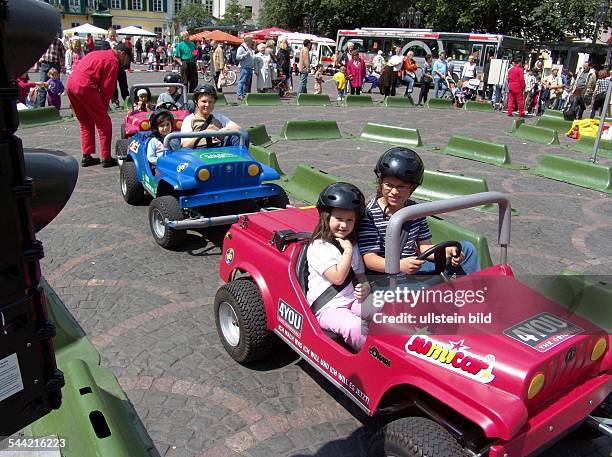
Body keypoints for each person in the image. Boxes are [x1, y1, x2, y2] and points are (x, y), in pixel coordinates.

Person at [358, 147, 480, 277]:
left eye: (401, 187)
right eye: (389, 185)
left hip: (414, 267)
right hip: (388, 275)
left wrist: (448, 252)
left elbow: (425, 247)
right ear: (381, 182)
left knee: (467, 248)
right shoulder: (369, 214)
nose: (394, 192)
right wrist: (399, 266)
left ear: (412, 187)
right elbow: (370, 259)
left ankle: (474, 292)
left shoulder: (415, 211)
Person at [307, 182, 370, 351]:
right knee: (355, 326)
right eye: (339, 219)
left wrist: (365, 286)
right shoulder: (318, 247)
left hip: (351, 299)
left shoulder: (351, 243)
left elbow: (360, 274)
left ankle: (398, 348)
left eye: (350, 220)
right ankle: (370, 358)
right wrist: (347, 251)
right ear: (326, 217)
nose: (344, 225)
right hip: (327, 307)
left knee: (383, 309)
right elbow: (337, 277)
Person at [66, 43, 130, 168]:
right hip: (85, 86)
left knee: (85, 122)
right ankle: (106, 157)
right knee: (104, 123)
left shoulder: (97, 53)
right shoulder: (113, 61)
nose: (126, 63)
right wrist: (103, 107)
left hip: (70, 84)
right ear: (122, 54)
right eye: (127, 59)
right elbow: (107, 88)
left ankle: (87, 156)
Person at [180, 84, 247, 149]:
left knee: (241, 135)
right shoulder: (189, 119)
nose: (207, 105)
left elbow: (238, 128)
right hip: (198, 152)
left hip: (219, 150)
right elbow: (185, 145)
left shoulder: (219, 117)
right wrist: (202, 134)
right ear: (196, 101)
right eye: (204, 101)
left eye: (210, 102)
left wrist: (224, 130)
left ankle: (241, 158)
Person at [36, 33, 65, 107]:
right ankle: (41, 107)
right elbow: (38, 53)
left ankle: (55, 107)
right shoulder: (44, 41)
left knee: (55, 86)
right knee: (42, 86)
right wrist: (36, 64)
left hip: (55, 65)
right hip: (45, 64)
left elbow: (63, 55)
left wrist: (63, 66)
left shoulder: (59, 42)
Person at [236, 36, 254, 100]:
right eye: (251, 41)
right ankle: (239, 94)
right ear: (247, 41)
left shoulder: (248, 47)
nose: (252, 42)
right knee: (242, 81)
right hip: (244, 67)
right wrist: (244, 55)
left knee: (247, 82)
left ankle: (244, 94)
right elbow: (237, 57)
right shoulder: (241, 48)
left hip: (249, 67)